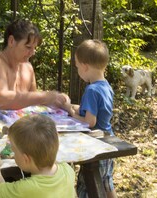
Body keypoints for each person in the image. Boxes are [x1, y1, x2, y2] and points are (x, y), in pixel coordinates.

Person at [0, 19, 68, 119]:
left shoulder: (28, 68)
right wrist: (44, 96)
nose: (33, 52)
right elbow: (0, 100)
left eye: (35, 48)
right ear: (11, 41)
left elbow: (33, 103)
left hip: (13, 130)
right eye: (28, 47)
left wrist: (57, 100)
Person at [63, 39, 117, 198]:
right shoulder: (105, 85)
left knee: (89, 184)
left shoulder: (92, 90)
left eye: (77, 66)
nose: (78, 70)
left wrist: (70, 112)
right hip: (108, 139)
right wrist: (73, 106)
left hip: (96, 144)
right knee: (106, 181)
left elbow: (89, 121)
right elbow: (94, 111)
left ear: (85, 66)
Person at [0, 114, 76, 198]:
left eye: (14, 151)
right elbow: (45, 153)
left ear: (26, 159)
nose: (13, 154)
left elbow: (0, 190)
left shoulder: (27, 188)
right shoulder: (67, 170)